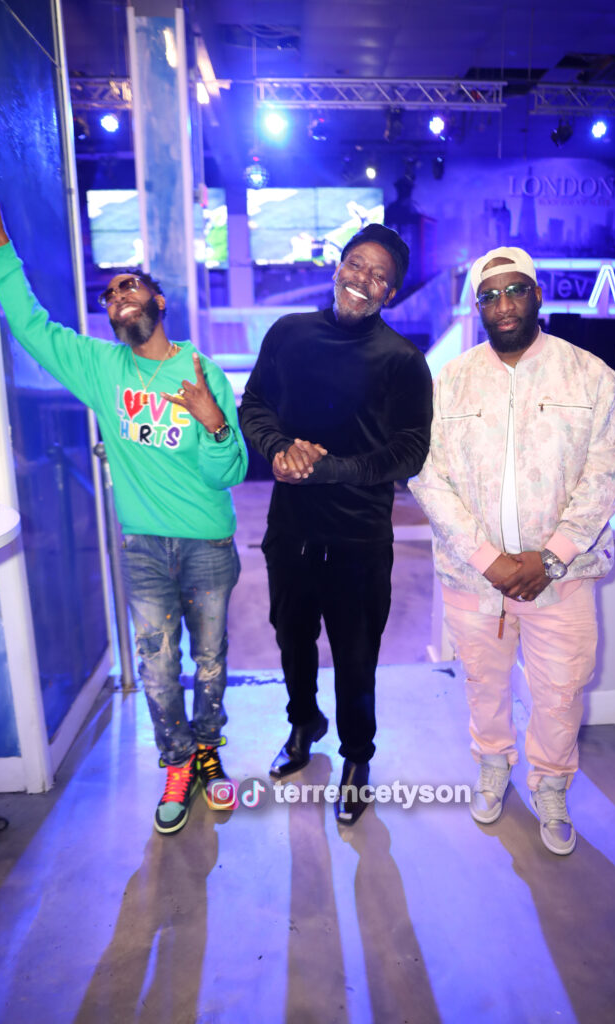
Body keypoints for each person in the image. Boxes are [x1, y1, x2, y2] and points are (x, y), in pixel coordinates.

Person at [0, 201, 248, 835]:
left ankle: (210, 749)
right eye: (108, 295)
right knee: (158, 668)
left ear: (159, 302)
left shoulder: (200, 370)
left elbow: (231, 471)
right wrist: (1, 251)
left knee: (210, 660)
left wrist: (213, 423)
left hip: (209, 545)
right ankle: (178, 763)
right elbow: (30, 326)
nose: (117, 297)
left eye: (129, 286)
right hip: (142, 548)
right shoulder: (102, 369)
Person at [410, 245, 615, 855]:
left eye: (514, 290)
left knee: (560, 690)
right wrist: (488, 559)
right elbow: (426, 475)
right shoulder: (449, 383)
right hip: (473, 577)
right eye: (489, 296)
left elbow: (606, 472)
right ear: (477, 308)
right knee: (483, 682)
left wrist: (550, 556)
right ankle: (492, 763)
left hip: (561, 577)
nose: (503, 304)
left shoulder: (588, 376)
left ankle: (551, 784)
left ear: (536, 295)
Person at [239, 223, 433, 825]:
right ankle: (304, 724)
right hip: (291, 530)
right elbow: (255, 405)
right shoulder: (289, 333)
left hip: (358, 540)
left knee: (355, 656)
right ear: (337, 267)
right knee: (292, 639)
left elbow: (410, 452)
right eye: (356, 264)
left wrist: (330, 469)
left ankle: (357, 758)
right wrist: (278, 449)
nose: (362, 280)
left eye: (379, 276)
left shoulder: (403, 361)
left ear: (390, 293)